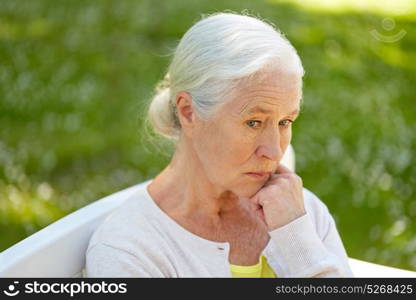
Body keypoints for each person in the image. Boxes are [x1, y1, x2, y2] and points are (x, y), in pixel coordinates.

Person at [85, 12, 354, 277]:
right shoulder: (130, 252)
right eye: (254, 122)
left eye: (285, 122)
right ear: (188, 111)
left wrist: (297, 240)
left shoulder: (299, 215)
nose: (274, 152)